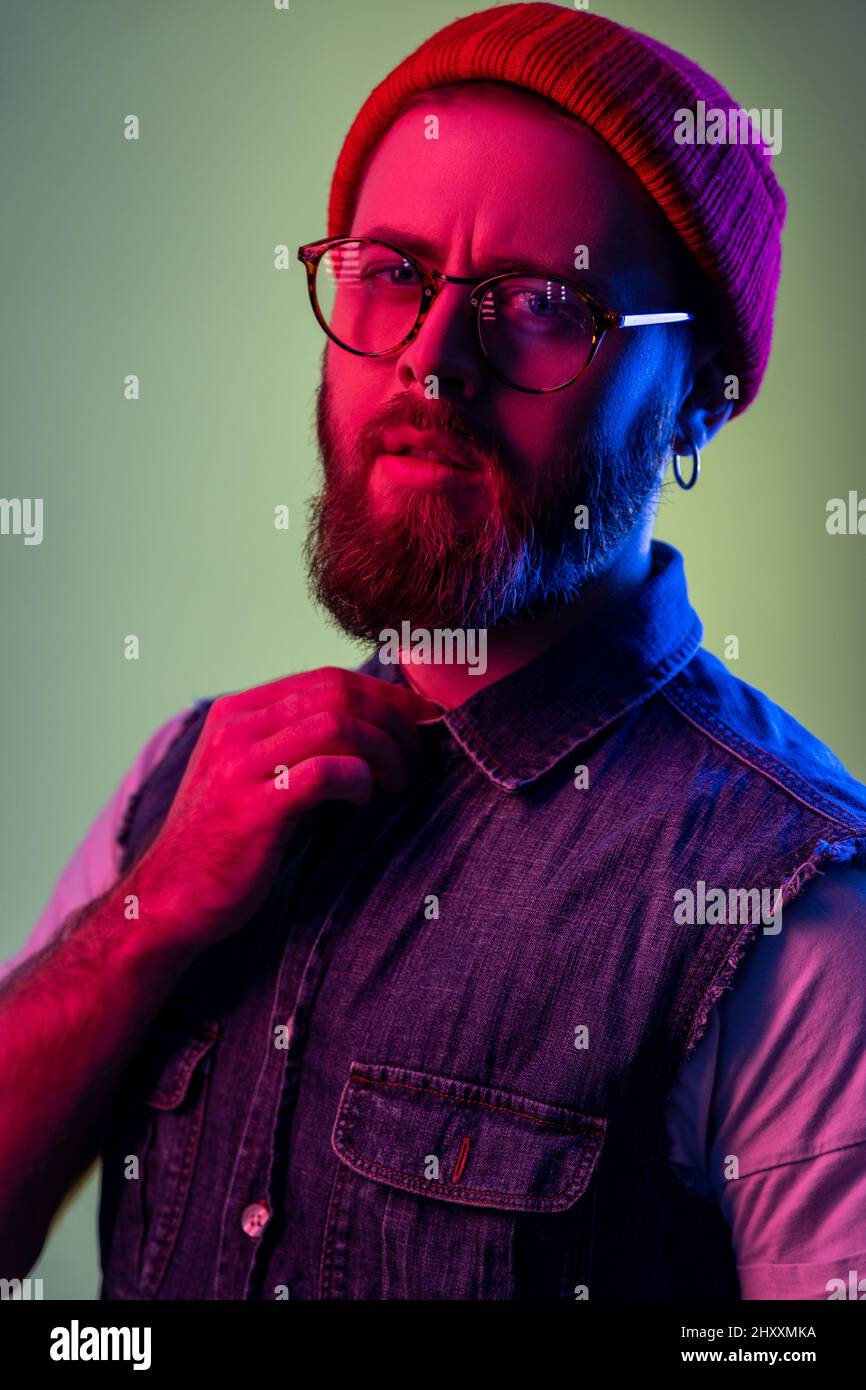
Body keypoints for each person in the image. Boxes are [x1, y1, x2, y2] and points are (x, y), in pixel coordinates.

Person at [2, 3, 865, 1301]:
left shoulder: (793, 912)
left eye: (539, 302)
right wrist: (144, 923)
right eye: (390, 272)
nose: (428, 362)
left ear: (699, 397)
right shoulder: (182, 787)